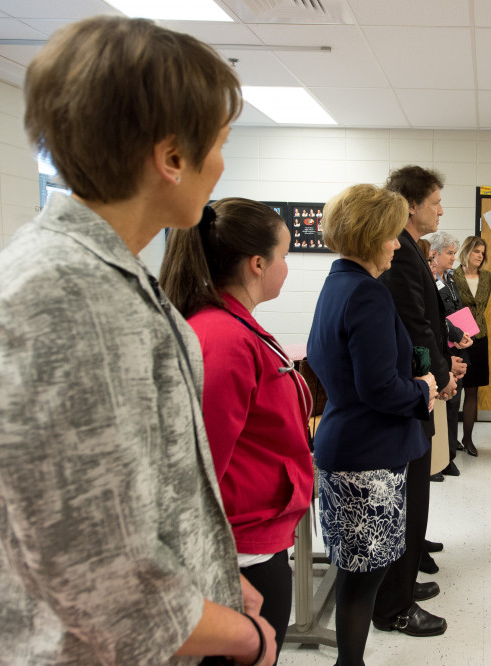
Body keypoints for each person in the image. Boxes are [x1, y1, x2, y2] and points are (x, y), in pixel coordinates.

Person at [0, 16, 277, 665]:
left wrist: (217, 582)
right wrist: (247, 637)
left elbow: (141, 498)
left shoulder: (107, 275)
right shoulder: (63, 295)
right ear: (172, 157)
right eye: (221, 143)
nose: (223, 165)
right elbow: (100, 575)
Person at [160, 198, 314, 658]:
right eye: (285, 256)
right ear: (257, 263)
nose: (287, 267)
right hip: (240, 553)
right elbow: (197, 474)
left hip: (255, 539)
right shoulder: (222, 340)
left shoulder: (234, 325)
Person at [308, 184, 437, 664]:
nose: (398, 244)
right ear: (370, 236)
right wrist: (424, 387)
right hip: (368, 455)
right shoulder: (367, 294)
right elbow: (381, 389)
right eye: (391, 235)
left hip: (348, 444)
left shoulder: (338, 282)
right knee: (363, 579)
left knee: (357, 573)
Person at [375, 165, 455, 636]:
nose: (441, 209)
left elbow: (426, 322)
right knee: (409, 499)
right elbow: (415, 329)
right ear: (411, 205)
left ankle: (402, 585)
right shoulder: (400, 254)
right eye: (435, 202)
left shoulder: (406, 249)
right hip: (412, 393)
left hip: (417, 387)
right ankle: (396, 603)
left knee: (414, 500)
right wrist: (437, 375)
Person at [427, 231, 471, 476]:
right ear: (435, 253)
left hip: (458, 346)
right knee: (438, 405)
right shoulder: (430, 278)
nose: (454, 257)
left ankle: (449, 456)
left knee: (454, 402)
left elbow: (458, 309)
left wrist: (465, 334)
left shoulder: (451, 278)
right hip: (441, 346)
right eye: (450, 253)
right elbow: (437, 316)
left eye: (455, 252)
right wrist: (455, 334)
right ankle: (435, 461)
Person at [453, 235, 491, 456]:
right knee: (454, 391)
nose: (480, 256)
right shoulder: (452, 275)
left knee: (472, 390)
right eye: (476, 251)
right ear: (466, 251)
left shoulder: (488, 276)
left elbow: (481, 306)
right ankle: (451, 442)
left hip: (480, 337)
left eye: (483, 252)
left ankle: (468, 439)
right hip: (457, 339)